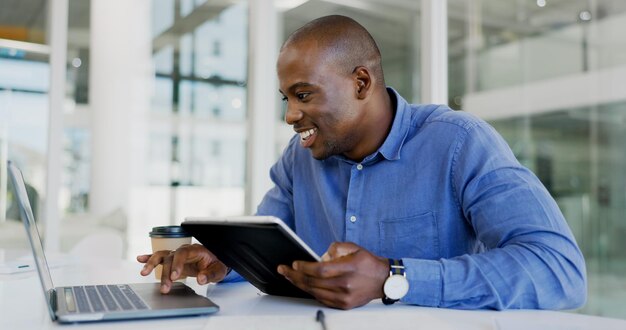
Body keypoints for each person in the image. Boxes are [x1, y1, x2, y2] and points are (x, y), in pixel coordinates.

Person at [138, 15, 586, 310]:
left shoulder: (459, 143)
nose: (290, 115)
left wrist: (394, 277)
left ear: (361, 82)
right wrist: (225, 258)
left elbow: (560, 270)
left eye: (304, 94)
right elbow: (270, 241)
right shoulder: (300, 158)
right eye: (286, 98)